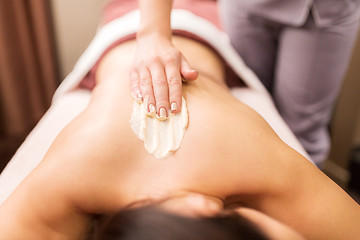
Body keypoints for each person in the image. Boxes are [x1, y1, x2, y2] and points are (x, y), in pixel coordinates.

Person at [0, 3, 360, 238]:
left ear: (202, 208)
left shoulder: (249, 160)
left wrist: (155, 33)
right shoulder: (72, 181)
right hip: (158, 37)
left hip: (145, 30)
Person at [132, 0, 360, 166]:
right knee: (249, 111)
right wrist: (154, 34)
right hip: (244, 7)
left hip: (322, 10)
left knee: (301, 136)